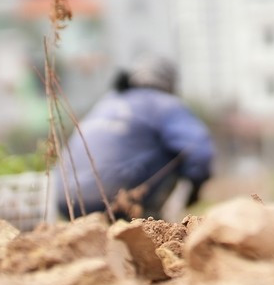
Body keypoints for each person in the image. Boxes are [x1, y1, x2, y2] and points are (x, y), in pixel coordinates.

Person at [54, 54, 214, 220]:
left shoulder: (107, 101)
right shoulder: (164, 103)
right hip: (115, 201)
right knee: (178, 152)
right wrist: (194, 190)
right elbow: (199, 151)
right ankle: (155, 224)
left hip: (66, 201)